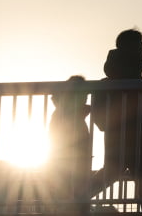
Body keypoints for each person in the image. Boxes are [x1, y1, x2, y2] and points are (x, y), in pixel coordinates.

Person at [90, 29, 142, 212]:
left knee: (118, 173)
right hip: (129, 140)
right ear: (129, 48)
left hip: (128, 140)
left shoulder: (127, 75)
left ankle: (73, 202)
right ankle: (72, 202)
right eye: (140, 45)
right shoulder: (127, 77)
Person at [48, 75, 91, 214]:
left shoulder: (63, 112)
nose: (86, 97)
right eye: (84, 93)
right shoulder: (67, 115)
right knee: (74, 203)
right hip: (70, 168)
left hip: (69, 168)